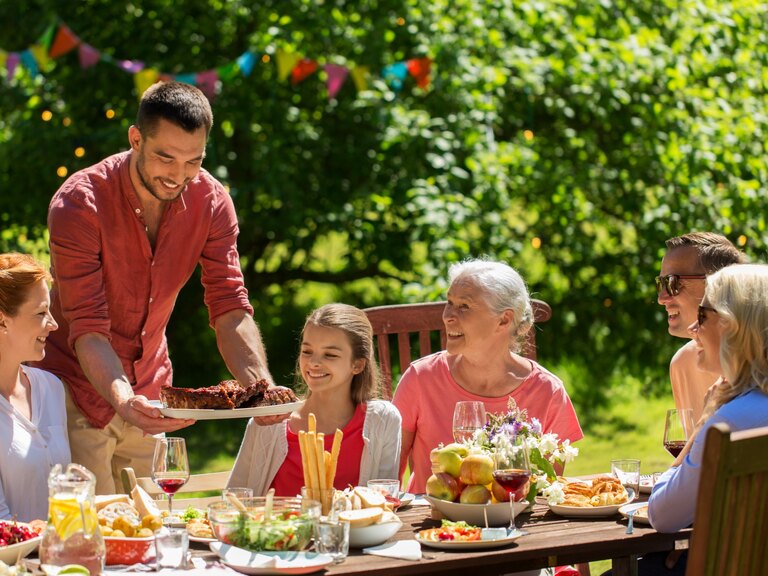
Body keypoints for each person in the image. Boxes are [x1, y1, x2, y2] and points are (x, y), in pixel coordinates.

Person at [35, 81, 274, 494]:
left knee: (152, 533)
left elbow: (230, 307)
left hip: (151, 389)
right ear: (135, 138)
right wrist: (124, 401)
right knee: (92, 535)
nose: (178, 176)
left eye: (192, 162)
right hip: (75, 390)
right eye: (165, 157)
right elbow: (88, 328)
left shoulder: (212, 201)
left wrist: (263, 388)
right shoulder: (79, 203)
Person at [393, 257, 583, 495]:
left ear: (503, 319)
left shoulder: (547, 392)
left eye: (464, 307)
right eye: (449, 303)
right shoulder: (420, 379)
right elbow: (386, 483)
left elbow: (546, 492)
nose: (448, 316)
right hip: (433, 525)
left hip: (514, 525)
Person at [643, 264, 768, 574]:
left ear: (730, 325)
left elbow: (662, 513)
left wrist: (704, 421)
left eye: (702, 316)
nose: (692, 330)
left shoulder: (731, 422)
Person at [228, 303, 401, 495]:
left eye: (330, 354)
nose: (313, 363)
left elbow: (385, 500)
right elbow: (234, 499)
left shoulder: (383, 420)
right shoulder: (268, 422)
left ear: (358, 365)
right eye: (307, 351)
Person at [0, 253, 70, 521]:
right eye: (41, 312)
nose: (53, 324)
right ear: (3, 319)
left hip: (63, 558)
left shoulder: (51, 388)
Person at [657, 232, 746, 423]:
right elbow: (696, 451)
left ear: (719, 283)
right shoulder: (683, 364)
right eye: (661, 284)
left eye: (673, 282)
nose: (661, 298)